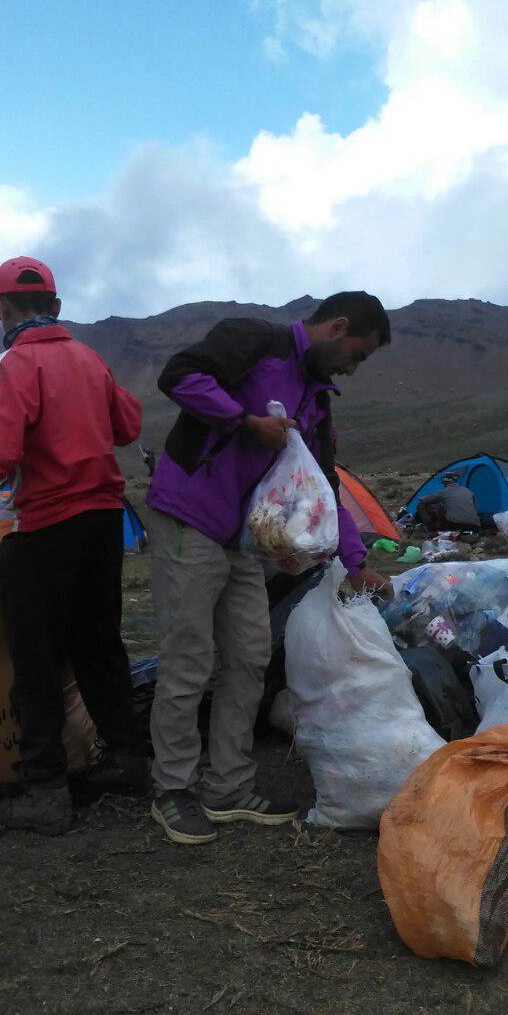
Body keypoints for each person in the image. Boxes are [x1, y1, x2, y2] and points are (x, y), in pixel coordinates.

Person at [146, 291, 392, 845]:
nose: (353, 368)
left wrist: (356, 563)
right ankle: (173, 788)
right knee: (188, 656)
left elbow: (323, 486)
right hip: (190, 515)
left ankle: (228, 786)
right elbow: (179, 376)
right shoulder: (256, 342)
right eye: (357, 354)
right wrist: (244, 421)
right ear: (338, 327)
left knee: (250, 655)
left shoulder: (317, 399)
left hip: (244, 539)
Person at [0, 257, 148, 835]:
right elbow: (129, 425)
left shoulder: (11, 363)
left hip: (45, 526)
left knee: (35, 656)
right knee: (99, 642)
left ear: (0, 308)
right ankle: (127, 758)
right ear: (57, 306)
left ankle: (45, 790)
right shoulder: (88, 357)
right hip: (103, 520)